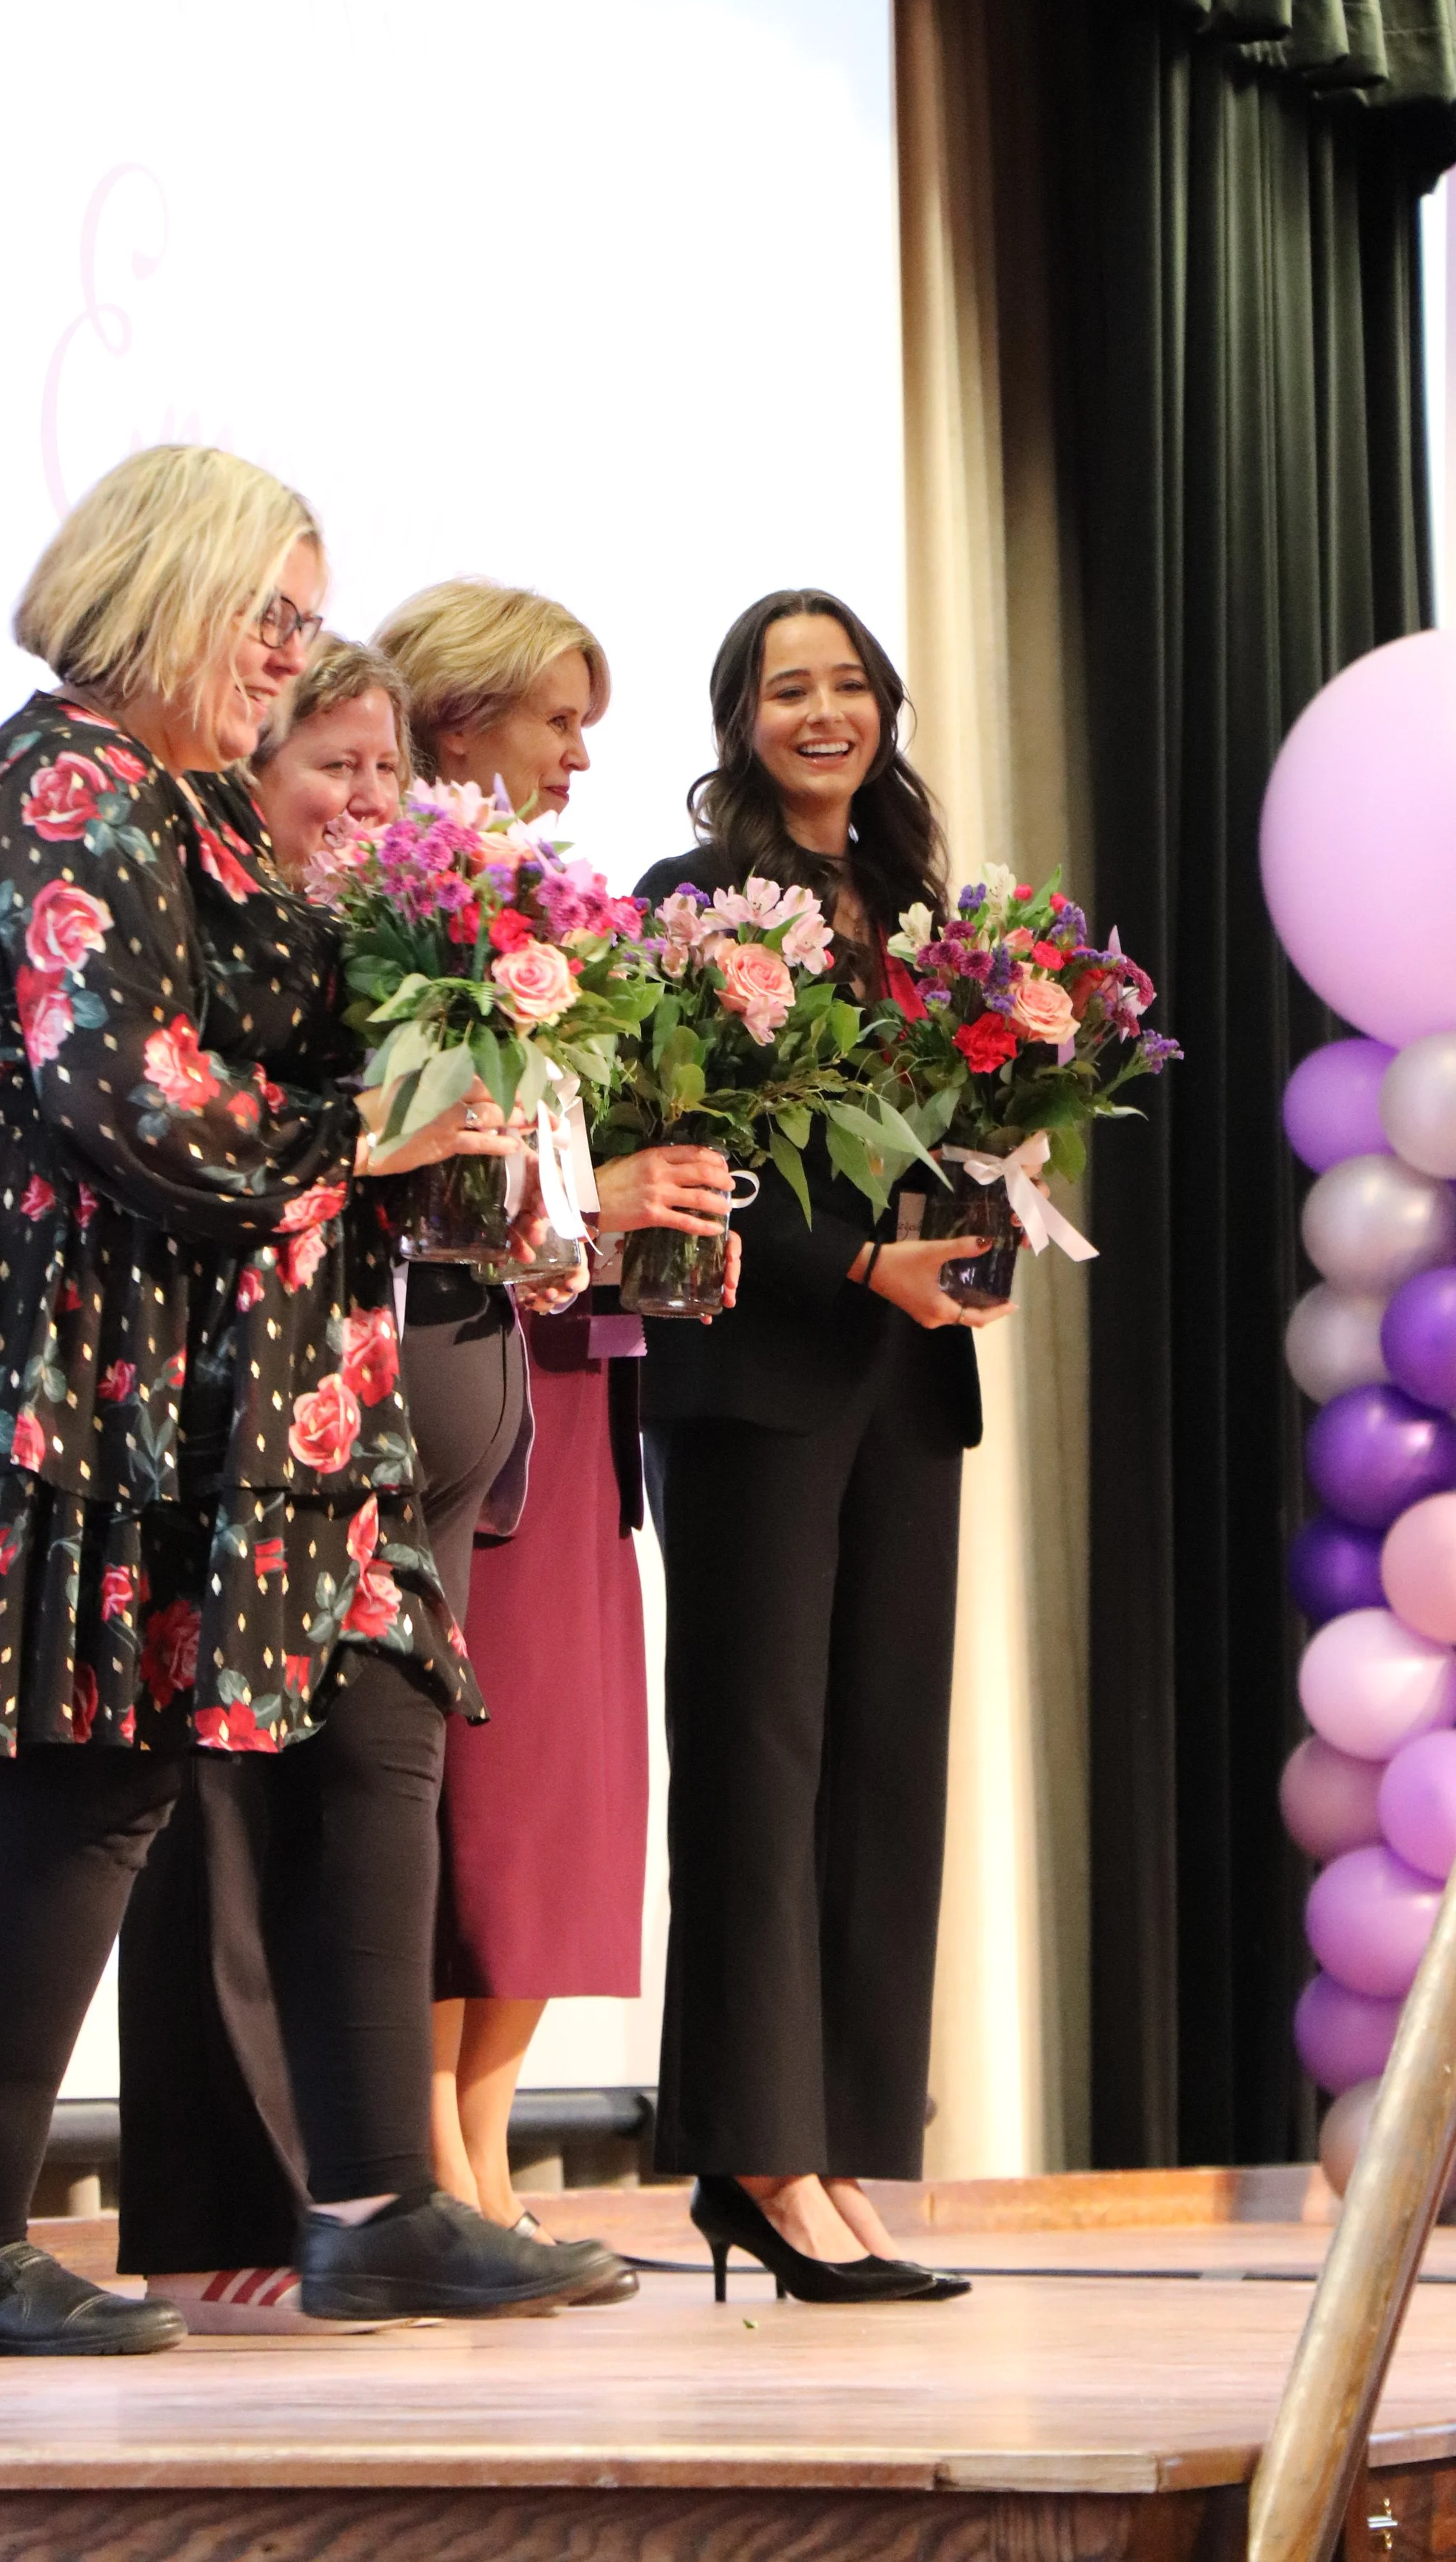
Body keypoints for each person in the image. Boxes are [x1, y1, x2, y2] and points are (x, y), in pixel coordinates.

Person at [0, 446, 538, 2356]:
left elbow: (299, 1044)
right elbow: (127, 1097)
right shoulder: (61, 785)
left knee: (367, 1701)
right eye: (266, 618)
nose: (289, 660)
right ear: (161, 593)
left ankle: (377, 2202)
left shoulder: (195, 802)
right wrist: (376, 1132)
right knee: (85, 1778)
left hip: (227, 1358)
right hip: (72, 1338)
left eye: (301, 623)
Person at [116, 631, 636, 2328]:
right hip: (256, 1418)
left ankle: (374, 2205)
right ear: (247, 768)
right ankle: (225, 2212)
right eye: (327, 764)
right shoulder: (207, 922)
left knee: (372, 1805)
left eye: (382, 771)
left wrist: (540, 1217)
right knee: (216, 1811)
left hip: (409, 1412)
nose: (362, 797)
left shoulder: (404, 933)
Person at [633, 588, 1005, 2306]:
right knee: (755, 1773)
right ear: (739, 717)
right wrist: (854, 1257)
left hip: (900, 1379)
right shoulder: (685, 910)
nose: (823, 711)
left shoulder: (922, 902)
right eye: (789, 687)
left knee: (878, 1780)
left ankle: (842, 2149)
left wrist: (980, 1225)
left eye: (847, 682)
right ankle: (755, 2156)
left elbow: (962, 1132)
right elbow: (681, 1161)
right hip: (754, 1378)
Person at [374, 581, 734, 2239]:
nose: (583, 755)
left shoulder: (574, 930)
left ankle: (490, 2145)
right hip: (463, 1370)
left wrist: (656, 1218)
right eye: (556, 720)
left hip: (583, 1384)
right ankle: (424, 2157)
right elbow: (436, 1188)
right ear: (460, 721)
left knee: (560, 1792)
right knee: (472, 1783)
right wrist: (596, 1212)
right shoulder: (401, 924)